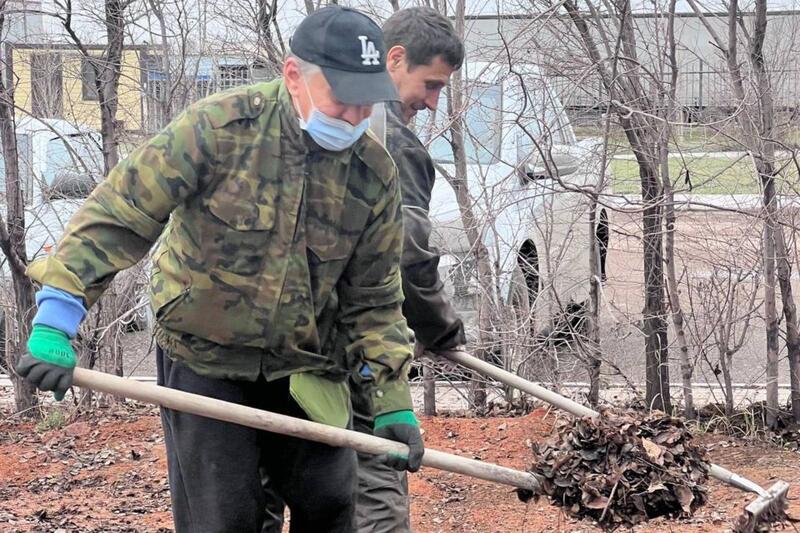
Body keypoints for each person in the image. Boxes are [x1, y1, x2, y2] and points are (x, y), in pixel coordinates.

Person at [15, 6, 424, 533]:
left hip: (307, 363)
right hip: (204, 357)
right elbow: (121, 212)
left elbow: (375, 298)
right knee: (224, 518)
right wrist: (57, 317)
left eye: (366, 104)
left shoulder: (373, 173)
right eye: (341, 99)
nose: (352, 118)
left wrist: (391, 401)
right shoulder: (219, 128)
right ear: (294, 75)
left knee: (330, 503)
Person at [261, 7, 466, 533]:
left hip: (279, 354)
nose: (433, 101)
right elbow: (407, 254)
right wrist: (441, 330)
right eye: (431, 83)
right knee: (372, 482)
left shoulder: (299, 118)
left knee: (264, 492)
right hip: (350, 359)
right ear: (394, 59)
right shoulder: (388, 142)